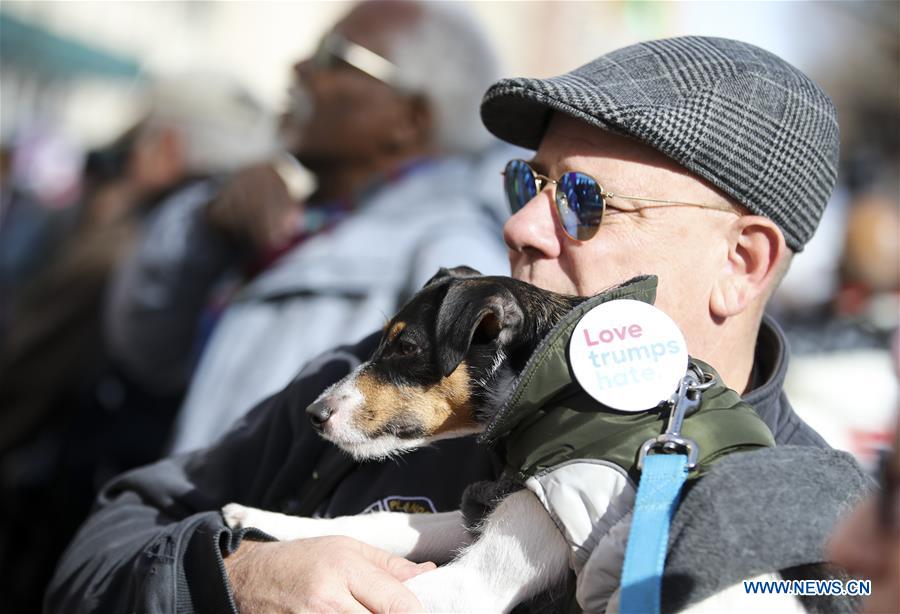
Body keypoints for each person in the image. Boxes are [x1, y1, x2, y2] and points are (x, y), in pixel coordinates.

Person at [48, 36, 867, 613]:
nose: (523, 226)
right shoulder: (394, 386)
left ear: (744, 263)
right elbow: (100, 554)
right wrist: (233, 583)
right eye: (529, 181)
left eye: (583, 201)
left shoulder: (838, 529)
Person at [104, 0, 511, 453]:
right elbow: (148, 354)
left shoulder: (448, 251)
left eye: (334, 58)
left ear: (409, 119)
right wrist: (205, 227)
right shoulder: (303, 221)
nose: (299, 68)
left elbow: (452, 445)